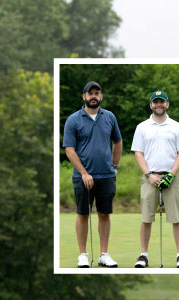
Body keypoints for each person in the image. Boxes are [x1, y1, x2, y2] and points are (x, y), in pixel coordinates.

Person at [63, 81, 123, 268]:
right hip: (82, 177)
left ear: (101, 96)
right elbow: (70, 150)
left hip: (106, 175)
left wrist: (114, 165)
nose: (94, 96)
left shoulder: (110, 117)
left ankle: (104, 254)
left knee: (104, 214)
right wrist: (84, 173)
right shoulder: (74, 119)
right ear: (84, 97)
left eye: (97, 93)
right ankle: (83, 255)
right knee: (83, 214)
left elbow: (118, 141)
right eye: (90, 93)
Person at [131, 90, 179, 268]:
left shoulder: (176, 126)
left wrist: (171, 174)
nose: (159, 105)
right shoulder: (142, 127)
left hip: (172, 176)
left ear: (167, 104)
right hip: (150, 177)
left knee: (176, 217)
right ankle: (143, 255)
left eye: (162, 102)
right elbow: (138, 153)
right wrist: (149, 175)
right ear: (151, 105)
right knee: (146, 217)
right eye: (155, 102)